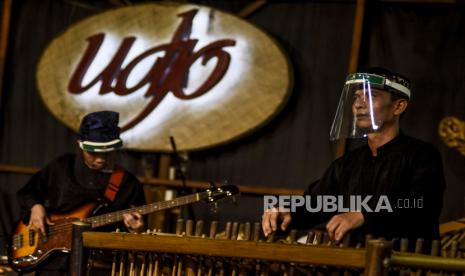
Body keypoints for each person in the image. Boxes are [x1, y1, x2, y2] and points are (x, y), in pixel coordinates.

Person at [262, 68, 445, 251]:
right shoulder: (347, 164)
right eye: (357, 97)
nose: (359, 104)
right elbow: (317, 203)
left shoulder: (422, 155)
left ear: (399, 106)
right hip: (354, 263)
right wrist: (287, 210)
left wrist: (364, 215)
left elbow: (420, 204)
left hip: (406, 264)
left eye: (371, 96)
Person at [17, 110, 145, 275]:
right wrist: (35, 206)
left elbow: (136, 233)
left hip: (98, 267)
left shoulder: (129, 183)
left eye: (107, 153)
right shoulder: (62, 166)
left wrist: (136, 230)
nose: (100, 159)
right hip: (53, 262)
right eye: (93, 153)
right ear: (80, 145)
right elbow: (27, 193)